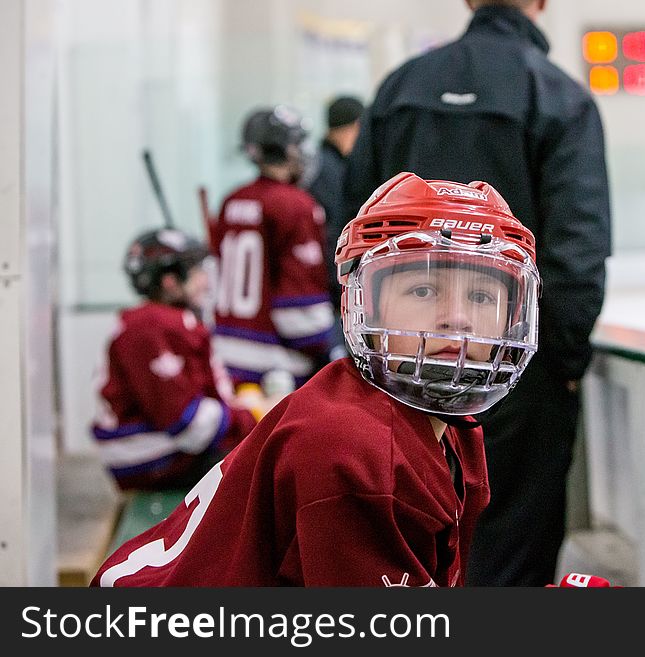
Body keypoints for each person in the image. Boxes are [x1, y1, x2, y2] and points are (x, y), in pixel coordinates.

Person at [91, 173, 542, 587]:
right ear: (364, 303)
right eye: (423, 289)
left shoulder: (456, 434)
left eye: (482, 294)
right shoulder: (354, 451)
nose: (458, 319)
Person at [343, 0, 612, 586]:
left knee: (403, 550)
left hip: (398, 362)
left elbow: (347, 232)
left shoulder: (398, 90)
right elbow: (578, 252)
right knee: (511, 554)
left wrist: (367, 349)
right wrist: (558, 363)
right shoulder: (558, 96)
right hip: (512, 367)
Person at [92, 228, 259, 491]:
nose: (205, 280)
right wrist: (252, 417)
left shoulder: (166, 321)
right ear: (170, 281)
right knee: (264, 465)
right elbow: (184, 421)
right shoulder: (151, 326)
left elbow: (202, 387)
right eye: (196, 272)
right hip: (147, 457)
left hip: (155, 451)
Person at [212, 105, 334, 390]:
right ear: (287, 150)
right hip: (275, 368)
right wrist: (333, 344)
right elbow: (299, 316)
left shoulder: (232, 199)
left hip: (227, 357)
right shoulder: (296, 204)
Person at [306, 95, 365, 360]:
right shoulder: (331, 172)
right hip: (323, 288)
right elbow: (333, 234)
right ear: (354, 127)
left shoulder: (320, 164)